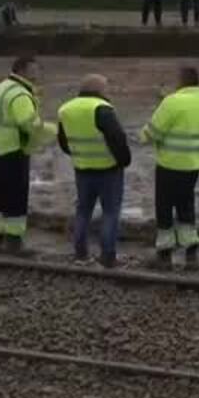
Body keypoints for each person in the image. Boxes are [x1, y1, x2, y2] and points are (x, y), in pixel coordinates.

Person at [57, 73, 132, 268]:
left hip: (82, 168)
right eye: (106, 87)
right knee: (110, 212)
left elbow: (64, 143)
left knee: (83, 211)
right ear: (99, 90)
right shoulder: (102, 109)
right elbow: (118, 138)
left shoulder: (65, 109)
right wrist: (124, 161)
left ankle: (80, 254)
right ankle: (108, 256)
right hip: (108, 169)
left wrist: (80, 155)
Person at [141, 65, 199, 269]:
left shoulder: (171, 102)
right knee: (186, 207)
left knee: (164, 208)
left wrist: (142, 136)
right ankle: (191, 256)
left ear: (181, 80)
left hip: (169, 165)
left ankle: (164, 256)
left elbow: (153, 132)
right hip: (192, 165)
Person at [0, 56, 45, 253]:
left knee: (1, 195)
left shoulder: (3, 87)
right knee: (16, 197)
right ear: (22, 71)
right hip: (13, 149)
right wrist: (49, 131)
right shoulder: (20, 95)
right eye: (34, 70)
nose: (37, 73)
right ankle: (14, 241)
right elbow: (28, 124)